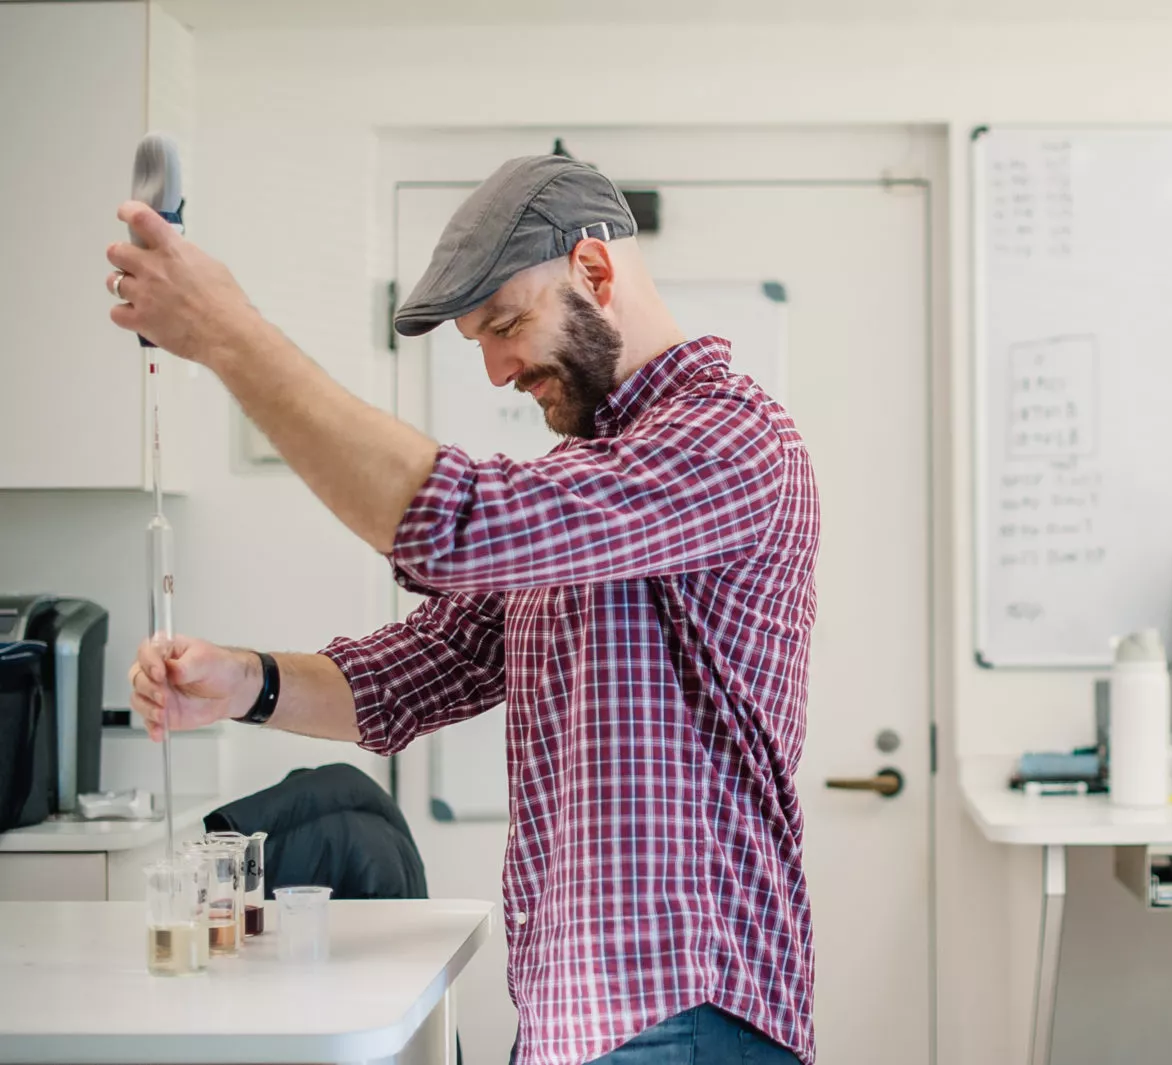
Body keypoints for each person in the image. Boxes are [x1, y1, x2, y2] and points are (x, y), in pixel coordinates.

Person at [112, 156, 818, 1065]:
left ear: (594, 273)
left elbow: (457, 526)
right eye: (476, 341)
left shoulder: (727, 439)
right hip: (585, 1012)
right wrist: (241, 681)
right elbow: (411, 677)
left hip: (685, 1013)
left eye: (506, 325)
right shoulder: (590, 486)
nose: (495, 371)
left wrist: (228, 335)